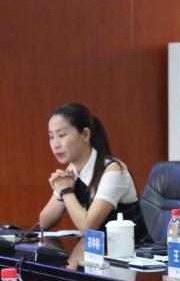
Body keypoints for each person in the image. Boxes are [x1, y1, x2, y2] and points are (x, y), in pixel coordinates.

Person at [40, 103, 148, 241]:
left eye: (61, 135)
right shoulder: (71, 170)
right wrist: (61, 189)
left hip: (132, 251)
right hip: (100, 251)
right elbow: (44, 222)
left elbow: (88, 228)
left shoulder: (114, 170)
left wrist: (66, 191)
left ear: (85, 134)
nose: (55, 144)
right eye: (51, 137)